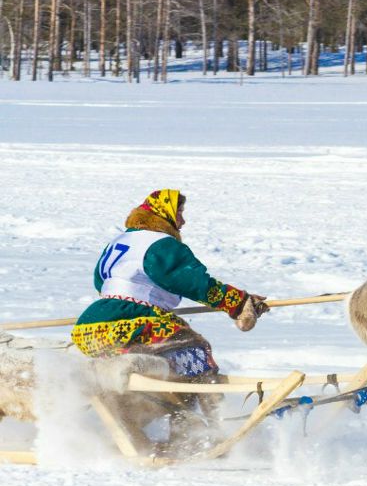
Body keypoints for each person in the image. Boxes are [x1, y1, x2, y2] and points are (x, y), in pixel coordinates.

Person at [71, 190, 268, 449]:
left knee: (161, 363)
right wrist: (238, 302)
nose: (182, 222)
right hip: (130, 321)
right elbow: (194, 282)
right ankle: (199, 429)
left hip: (89, 326)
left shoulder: (119, 241)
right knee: (195, 355)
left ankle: (131, 423)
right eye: (179, 214)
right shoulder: (161, 244)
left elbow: (101, 282)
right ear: (163, 213)